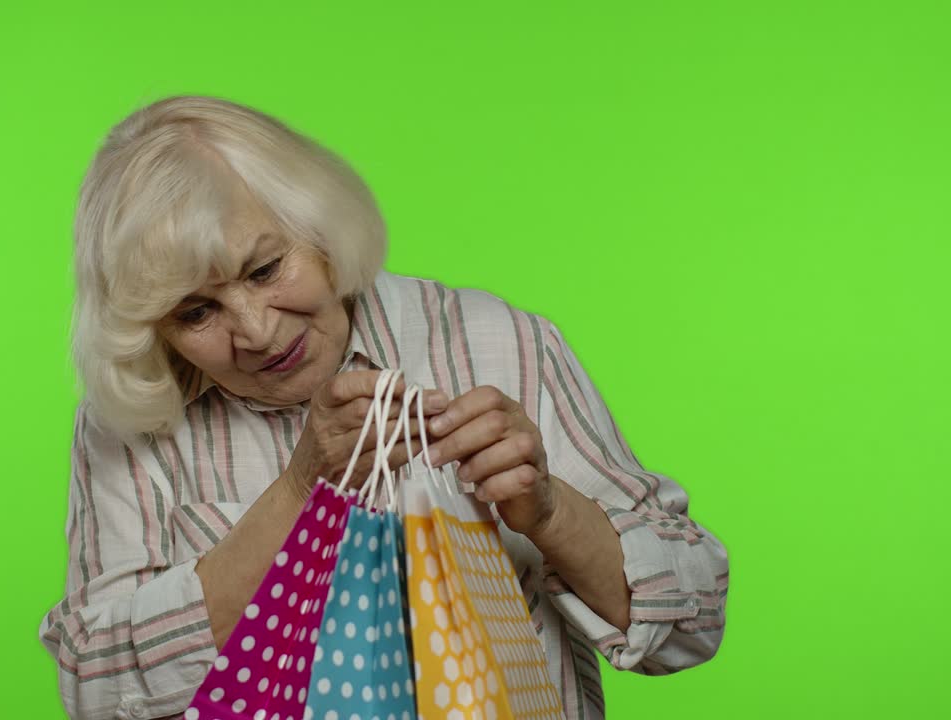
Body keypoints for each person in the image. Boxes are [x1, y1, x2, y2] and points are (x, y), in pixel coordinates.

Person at [38, 95, 728, 720]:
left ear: (318, 226)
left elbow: (695, 625)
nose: (255, 330)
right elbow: (95, 691)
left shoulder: (501, 343)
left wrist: (548, 513)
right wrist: (299, 494)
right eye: (196, 311)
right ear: (153, 329)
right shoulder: (131, 424)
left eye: (265, 269)